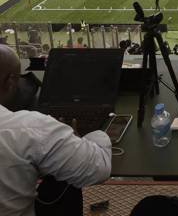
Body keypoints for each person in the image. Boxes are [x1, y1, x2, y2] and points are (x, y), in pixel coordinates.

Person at [0, 44, 111, 216]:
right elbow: (100, 168)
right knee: (62, 182)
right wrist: (92, 135)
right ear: (9, 81)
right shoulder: (30, 128)